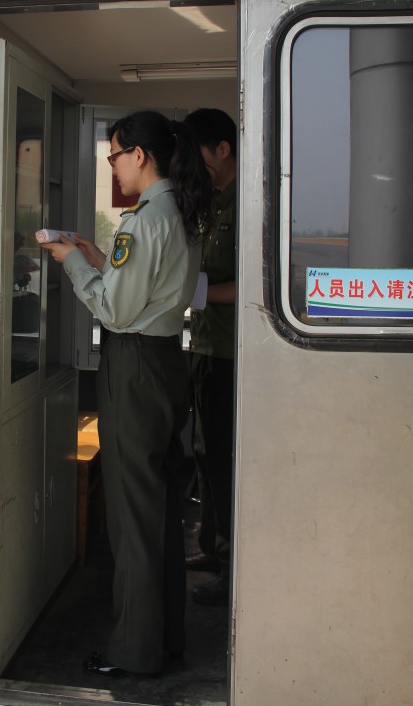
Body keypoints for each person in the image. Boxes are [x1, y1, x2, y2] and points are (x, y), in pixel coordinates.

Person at [40, 110, 212, 677]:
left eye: (115, 155)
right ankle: (165, 639)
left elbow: (115, 309)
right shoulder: (181, 211)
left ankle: (136, 654)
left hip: (134, 367)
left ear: (139, 155)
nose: (113, 165)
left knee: (133, 517)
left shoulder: (143, 221)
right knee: (160, 510)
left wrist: (72, 264)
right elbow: (153, 287)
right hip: (166, 361)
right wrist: (98, 259)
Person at [183, 108, 237, 608]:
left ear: (223, 149)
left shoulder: (246, 204)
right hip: (202, 345)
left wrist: (194, 292)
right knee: (203, 452)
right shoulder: (213, 203)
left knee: (222, 460)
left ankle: (230, 564)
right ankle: (210, 546)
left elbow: (250, 284)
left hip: (227, 352)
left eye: (199, 153)